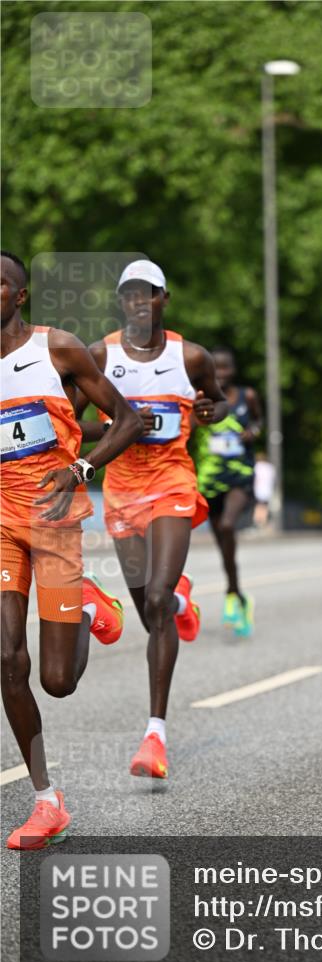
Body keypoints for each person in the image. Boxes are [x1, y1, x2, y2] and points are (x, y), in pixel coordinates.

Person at [1, 251, 142, 849]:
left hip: (54, 517)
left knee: (58, 681)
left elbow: (128, 418)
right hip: (1, 521)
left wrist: (81, 466)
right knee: (8, 659)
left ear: (19, 295)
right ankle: (46, 801)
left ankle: (86, 606)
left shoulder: (55, 348)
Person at [76, 259, 226, 780]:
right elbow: (77, 424)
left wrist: (212, 411)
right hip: (121, 492)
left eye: (149, 294)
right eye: (130, 295)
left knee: (156, 599)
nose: (139, 303)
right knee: (150, 612)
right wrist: (120, 428)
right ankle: (183, 600)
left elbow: (219, 402)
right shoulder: (100, 355)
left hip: (172, 484)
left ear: (165, 298)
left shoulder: (191, 357)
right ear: (122, 302)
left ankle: (155, 735)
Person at [194, 347, 262, 636]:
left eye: (225, 369)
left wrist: (253, 432)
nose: (221, 375)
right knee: (223, 542)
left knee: (227, 524)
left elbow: (259, 422)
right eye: (215, 369)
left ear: (233, 370)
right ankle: (236, 593)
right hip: (209, 479)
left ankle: (233, 594)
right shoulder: (199, 398)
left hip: (240, 476)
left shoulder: (247, 396)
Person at [253, 452, 275, 529]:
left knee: (258, 505)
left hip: (258, 489)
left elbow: (255, 479)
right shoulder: (270, 467)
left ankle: (258, 522)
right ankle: (263, 522)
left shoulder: (257, 467)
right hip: (267, 490)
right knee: (264, 506)